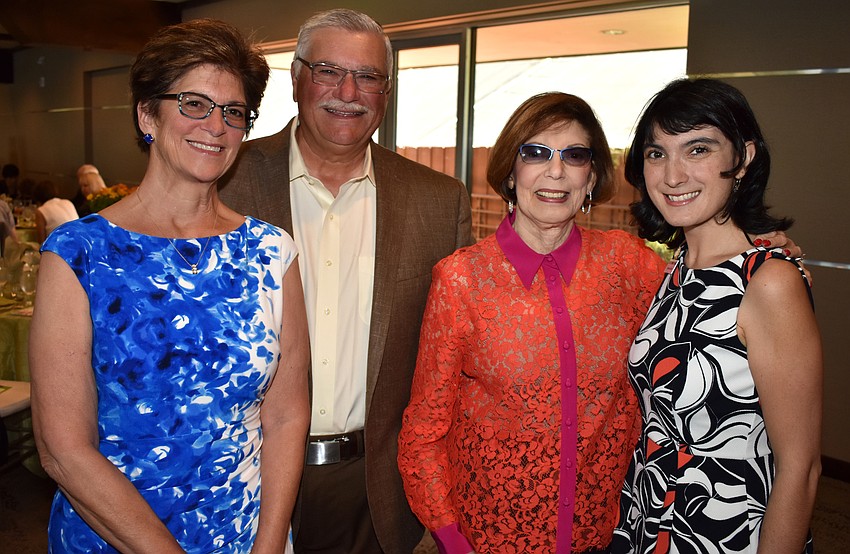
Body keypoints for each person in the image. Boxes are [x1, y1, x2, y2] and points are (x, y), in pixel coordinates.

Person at [30, 18, 310, 553]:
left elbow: (285, 413)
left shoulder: (272, 252)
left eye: (233, 112)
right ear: (147, 115)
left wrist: (270, 543)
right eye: (194, 103)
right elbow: (63, 449)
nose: (216, 125)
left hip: (244, 535)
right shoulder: (77, 254)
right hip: (110, 537)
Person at [218, 8, 473, 553]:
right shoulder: (224, 182)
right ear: (295, 78)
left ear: (387, 91)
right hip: (244, 472)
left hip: (374, 488)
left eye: (368, 76)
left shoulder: (438, 201)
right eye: (328, 70)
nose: (348, 91)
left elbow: (455, 360)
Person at [397, 92, 668, 553]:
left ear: (592, 176)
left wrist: (755, 249)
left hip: (602, 537)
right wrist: (451, 538)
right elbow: (424, 429)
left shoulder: (629, 266)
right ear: (510, 171)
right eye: (536, 152)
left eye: (575, 156)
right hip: (489, 540)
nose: (556, 171)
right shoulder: (461, 279)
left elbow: (706, 283)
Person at [611, 78, 822, 553]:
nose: (672, 175)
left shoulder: (768, 282)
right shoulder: (676, 269)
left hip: (723, 532)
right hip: (650, 520)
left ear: (743, 159)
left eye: (698, 149)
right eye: (657, 153)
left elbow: (801, 468)